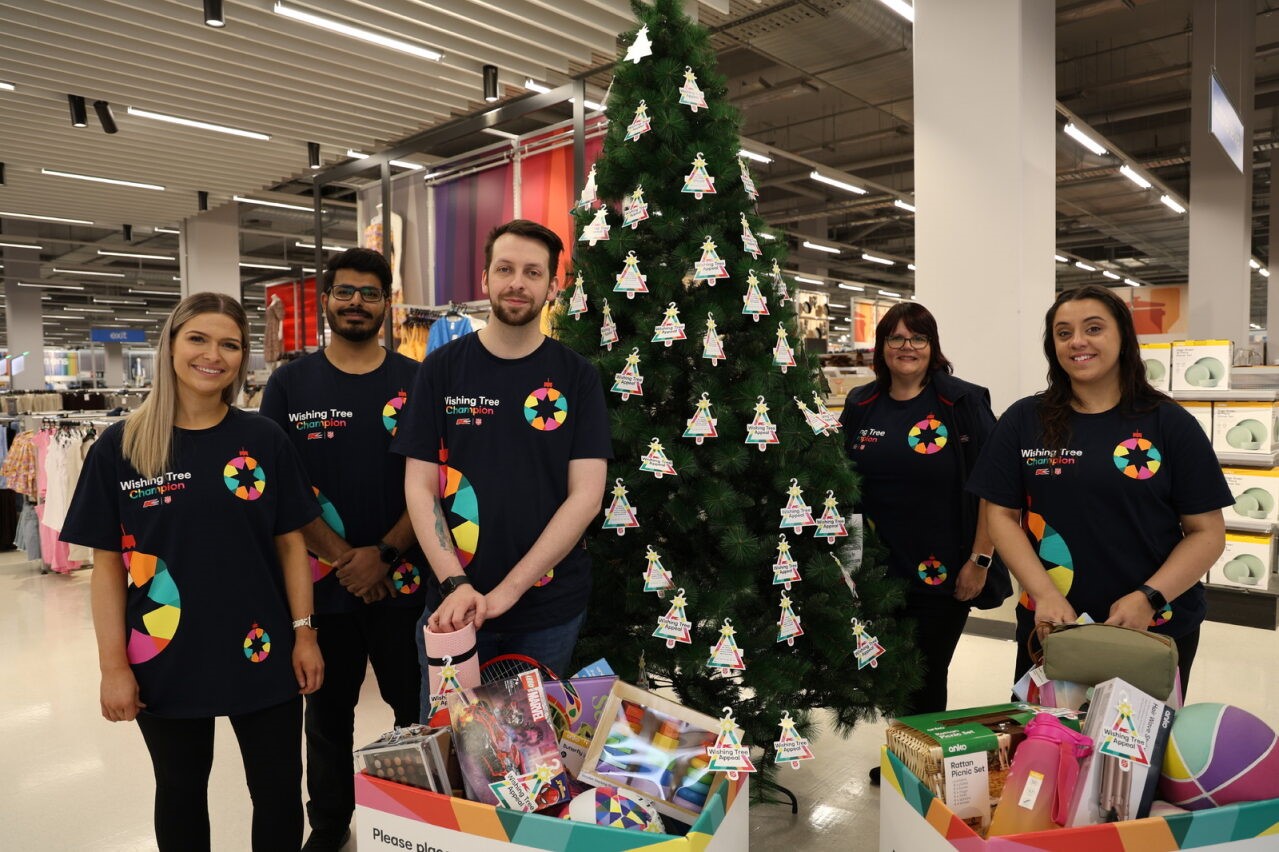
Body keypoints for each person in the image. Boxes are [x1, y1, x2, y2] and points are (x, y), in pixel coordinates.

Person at [60, 292, 324, 851]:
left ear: (243, 358)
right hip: (164, 652)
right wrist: (113, 668)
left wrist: (305, 633)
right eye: (198, 339)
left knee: (277, 791)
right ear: (171, 346)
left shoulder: (263, 440)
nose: (214, 355)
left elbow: (291, 547)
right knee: (180, 792)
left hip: (263, 647)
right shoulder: (121, 446)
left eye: (230, 344)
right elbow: (107, 569)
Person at [966, 284, 1231, 693]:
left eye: (1093, 328)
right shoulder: (1024, 420)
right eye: (1064, 332)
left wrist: (1148, 597)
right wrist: (1044, 595)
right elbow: (1000, 515)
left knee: (1135, 752)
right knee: (1046, 749)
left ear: (1123, 337)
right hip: (1052, 627)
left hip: (1154, 627)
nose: (1078, 342)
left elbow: (1208, 532)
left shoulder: (1168, 423)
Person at [392, 219, 610, 715]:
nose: (518, 282)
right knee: (447, 751)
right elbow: (420, 486)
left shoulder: (577, 377)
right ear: (485, 279)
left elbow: (587, 497)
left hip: (547, 611)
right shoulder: (441, 368)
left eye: (533, 272)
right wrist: (457, 584)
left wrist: (507, 592)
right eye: (505, 269)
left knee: (531, 766)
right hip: (451, 607)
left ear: (553, 287)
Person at [260, 248, 425, 852]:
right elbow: (278, 486)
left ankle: (421, 821)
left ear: (388, 303)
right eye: (345, 292)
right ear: (326, 300)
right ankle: (330, 827)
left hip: (407, 586)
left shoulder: (417, 381)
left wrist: (382, 553)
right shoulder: (289, 384)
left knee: (417, 711)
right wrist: (344, 561)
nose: (357, 302)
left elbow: (439, 479)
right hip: (321, 592)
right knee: (327, 720)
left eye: (370, 293)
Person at [839, 302, 1001, 786]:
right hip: (878, 567)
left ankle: (924, 771)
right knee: (891, 670)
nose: (906, 348)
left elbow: (994, 489)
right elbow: (845, 485)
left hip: (946, 566)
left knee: (927, 672)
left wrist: (980, 560)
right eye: (896, 338)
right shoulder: (861, 403)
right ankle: (906, 757)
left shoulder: (962, 403)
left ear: (933, 347)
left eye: (918, 339)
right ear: (881, 347)